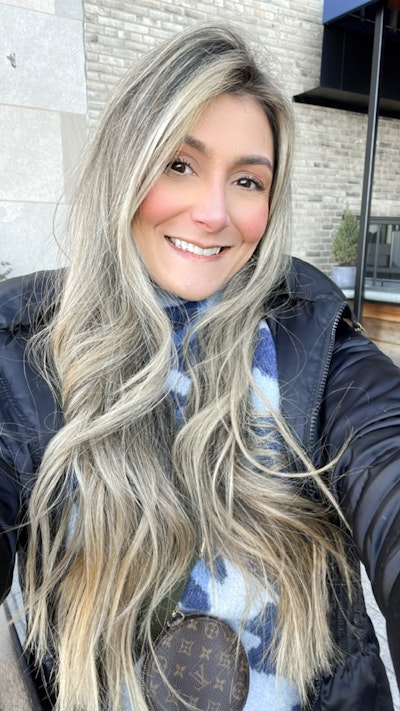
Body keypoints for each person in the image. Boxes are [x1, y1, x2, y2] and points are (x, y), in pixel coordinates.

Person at [0, 21, 399, 711]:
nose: (214, 213)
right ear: (126, 166)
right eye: (179, 164)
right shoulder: (25, 347)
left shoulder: (316, 341)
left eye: (247, 180)